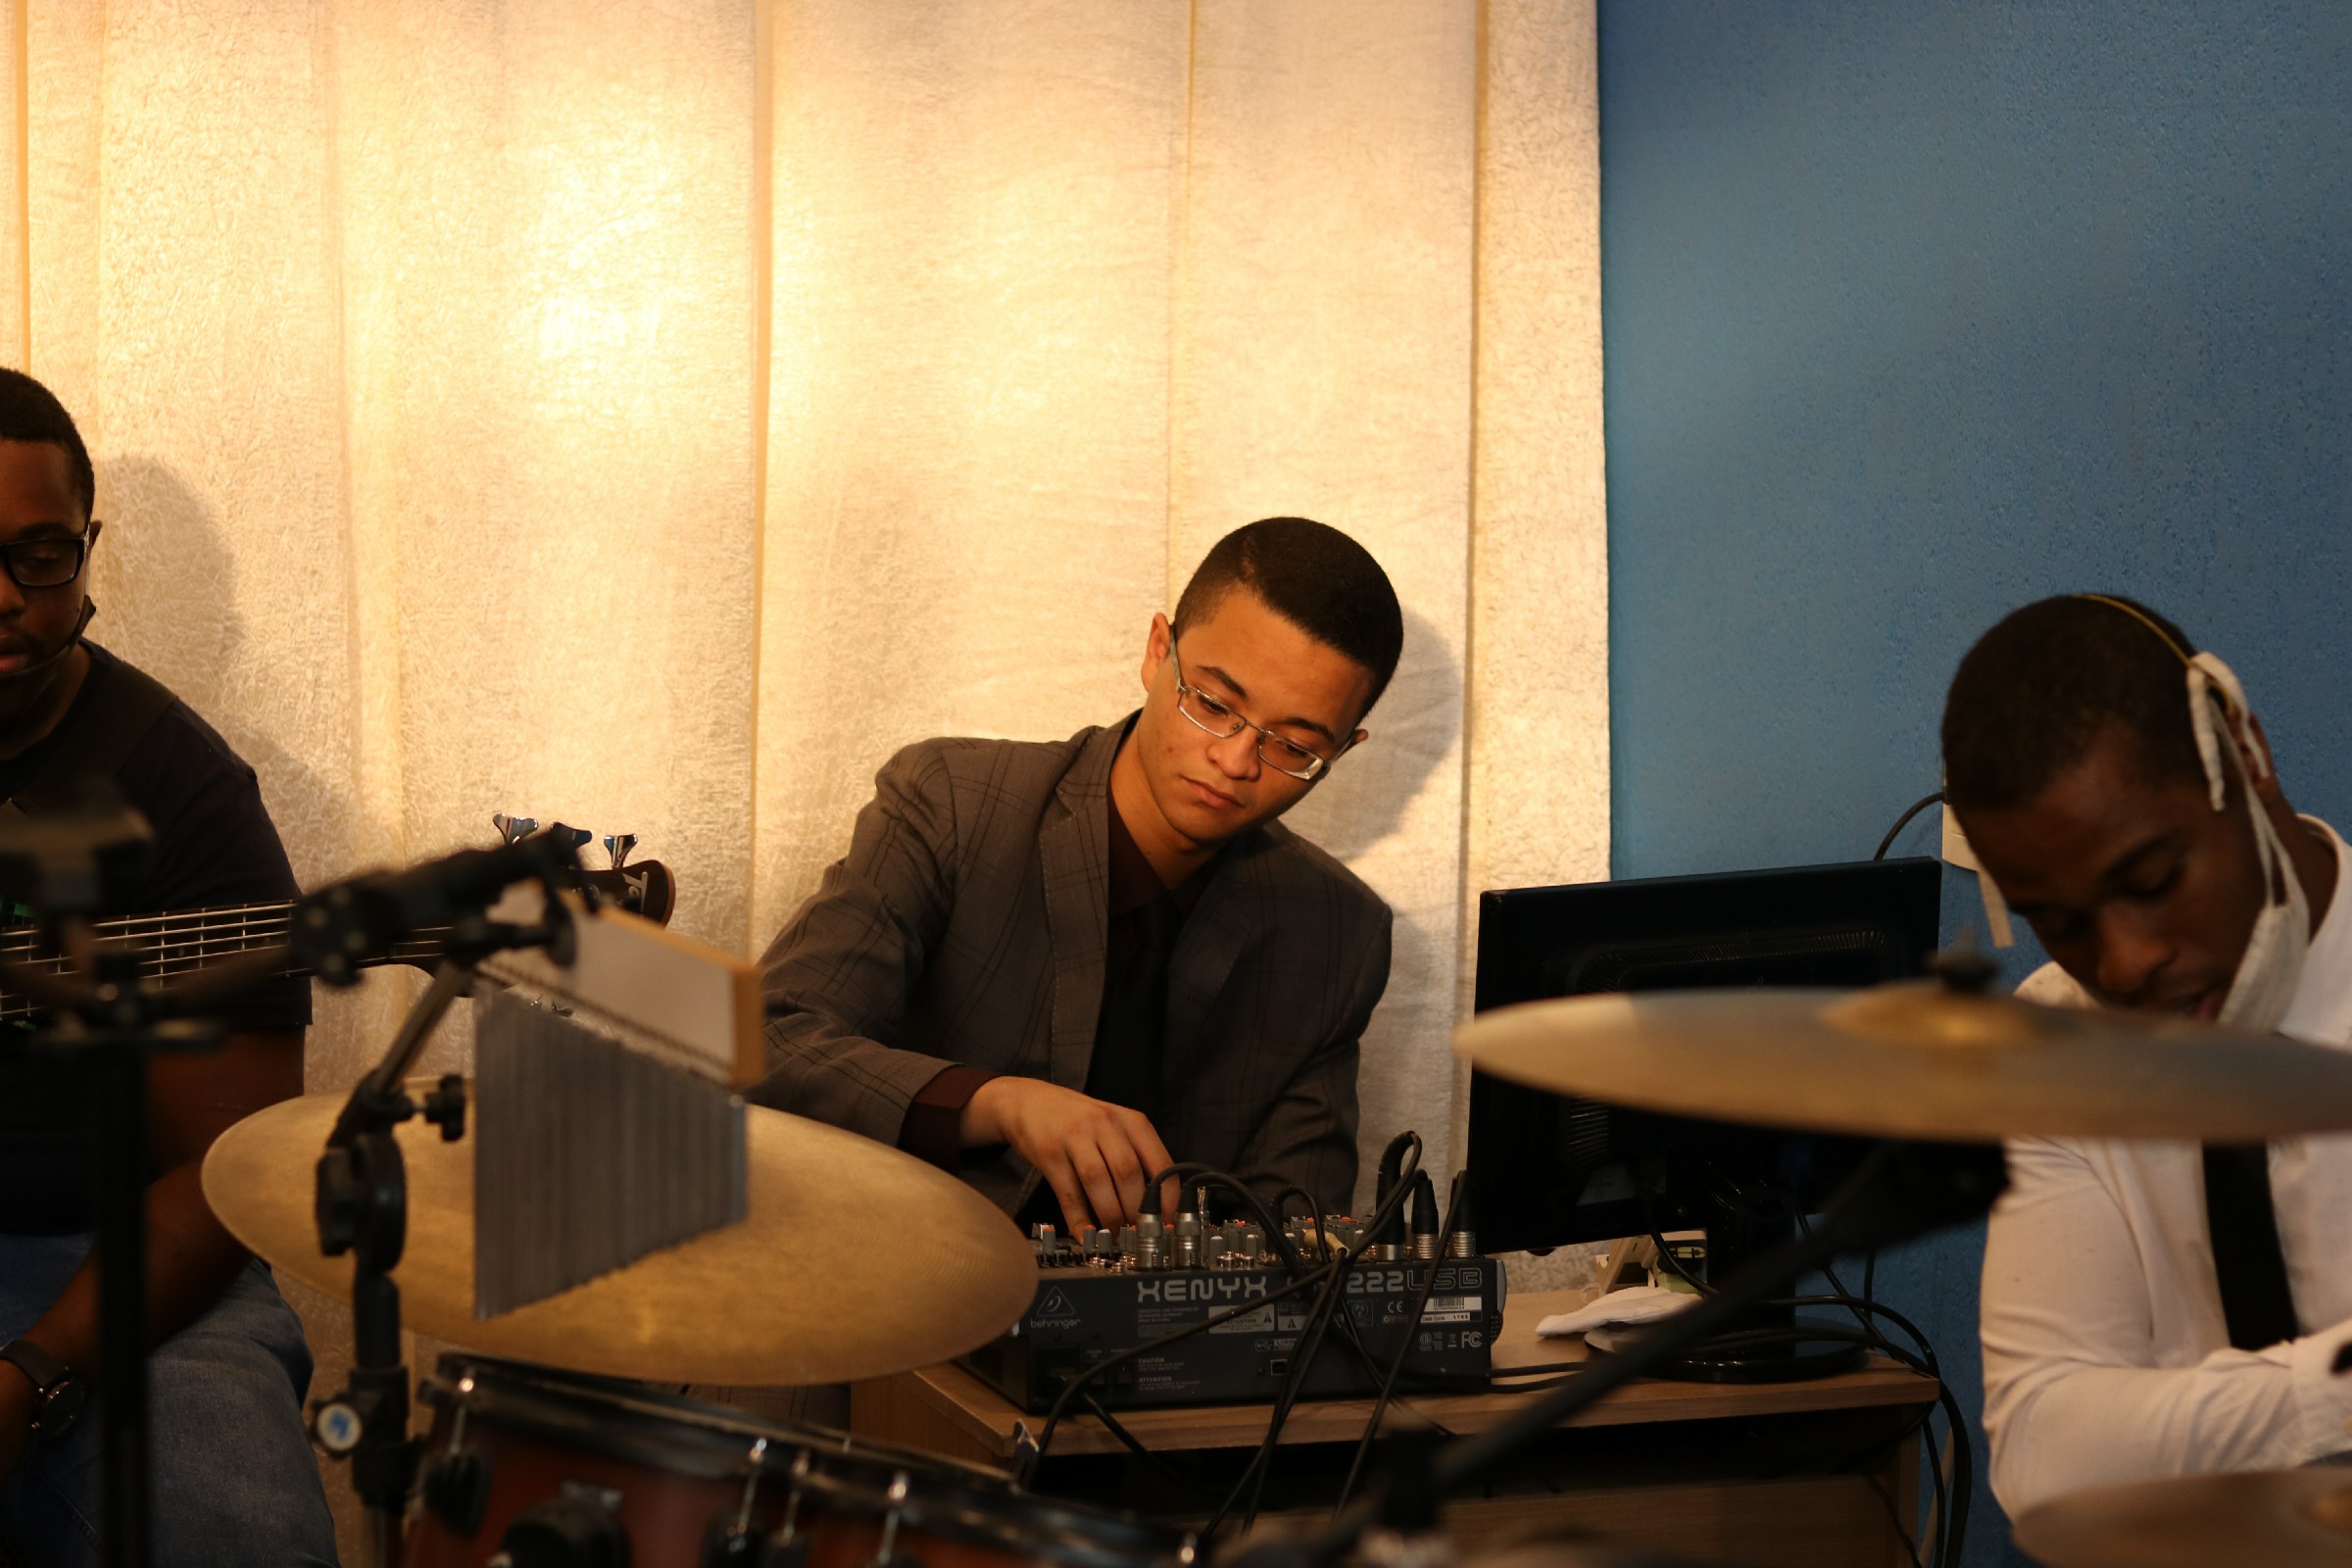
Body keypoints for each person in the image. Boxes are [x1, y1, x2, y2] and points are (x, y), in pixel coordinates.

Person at [756, 516, 1399, 1238]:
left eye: (1293, 746)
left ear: (1344, 749)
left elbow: (1301, 1235)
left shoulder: (1337, 932)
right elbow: (767, 1039)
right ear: (1158, 652)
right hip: (906, 1275)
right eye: (1214, 705)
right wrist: (996, 1102)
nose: (1236, 760)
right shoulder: (956, 804)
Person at [0, 369, 336, 1564]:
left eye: (39, 556)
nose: (4, 597)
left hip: (115, 1259)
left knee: (232, 1532)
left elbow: (222, 1167)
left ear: (87, 552)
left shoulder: (180, 792)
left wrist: (35, 1369)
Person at [1943, 593, 2352, 1516]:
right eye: (2062, 923)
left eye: (2155, 880)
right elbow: (2046, 1455)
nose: (2122, 966)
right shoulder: (2060, 1045)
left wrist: (2177, 1420)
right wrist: (2334, 1392)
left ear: (2246, 757)